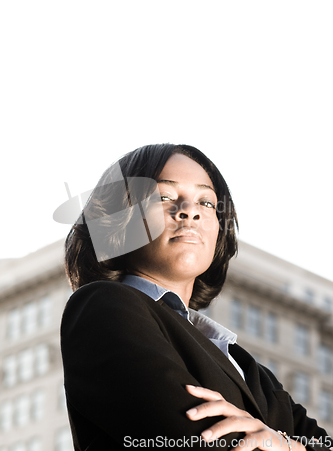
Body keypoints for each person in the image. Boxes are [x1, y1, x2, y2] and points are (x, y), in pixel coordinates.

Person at [61, 143, 332, 450]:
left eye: (206, 202)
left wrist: (286, 444)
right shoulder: (101, 306)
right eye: (164, 197)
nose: (189, 211)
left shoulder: (252, 371)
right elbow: (196, 442)